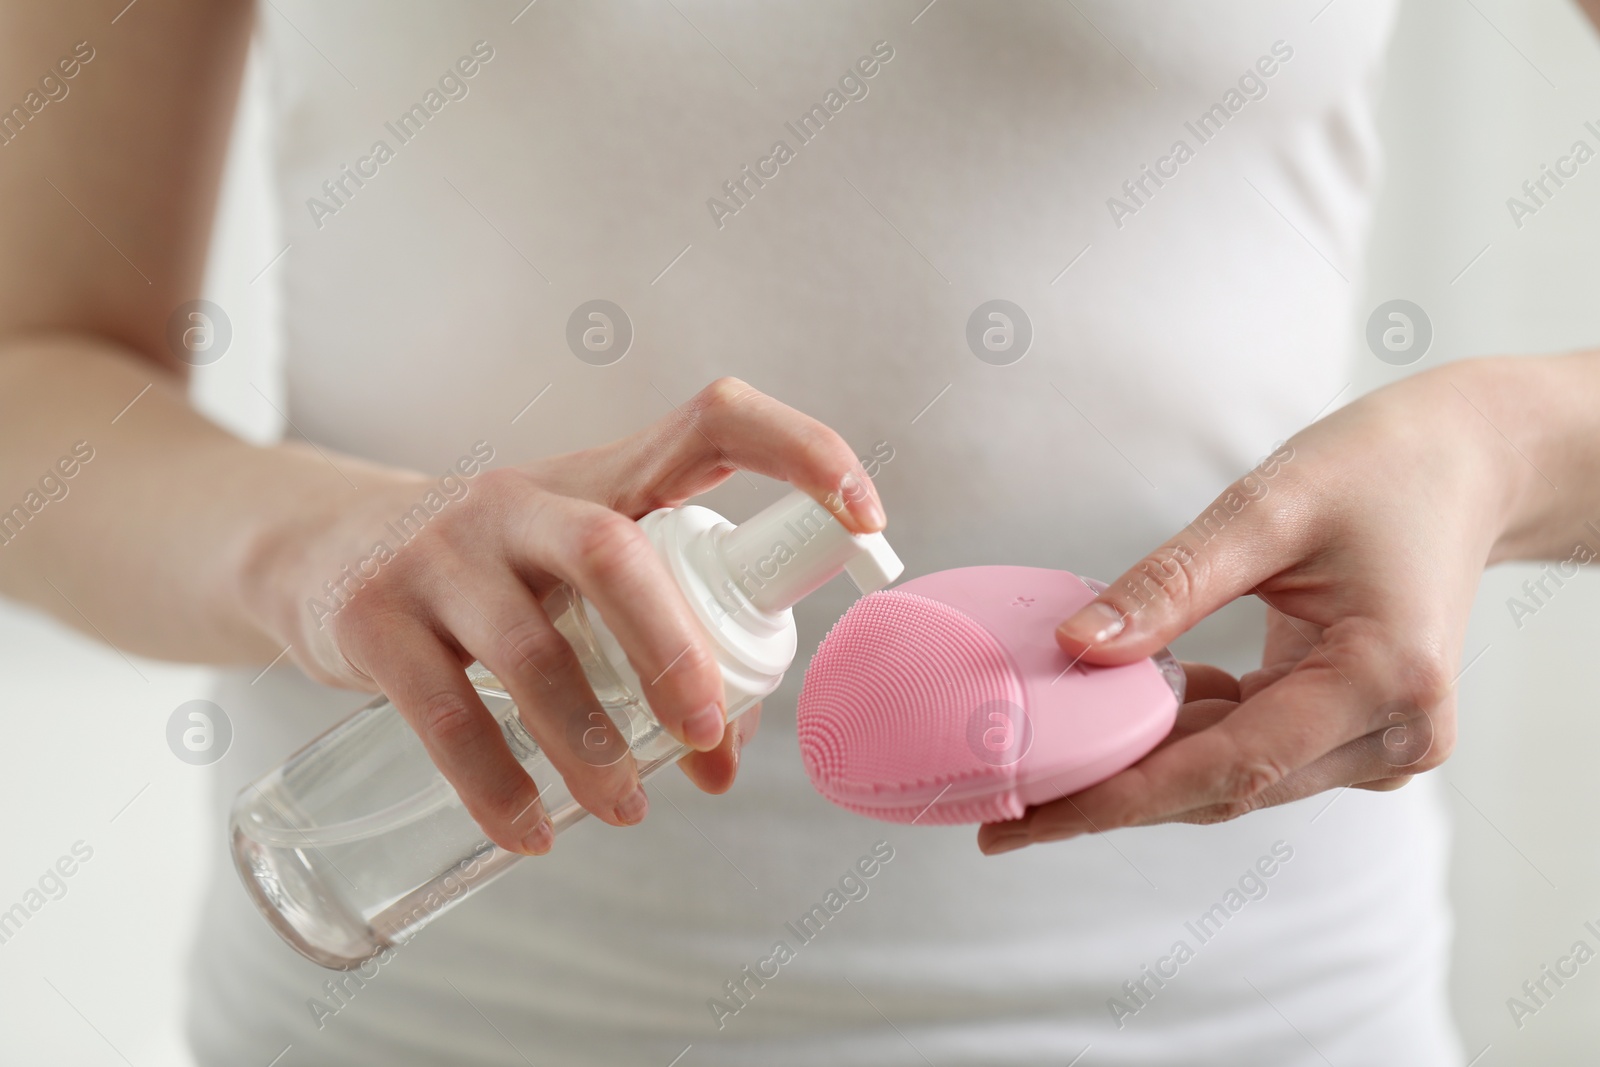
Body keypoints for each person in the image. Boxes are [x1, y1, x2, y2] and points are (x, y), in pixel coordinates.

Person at [2, 2, 1597, 1064]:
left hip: (1228, 1015)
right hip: (430, 1020)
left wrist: (1500, 450)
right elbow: (29, 370)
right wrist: (313, 550)